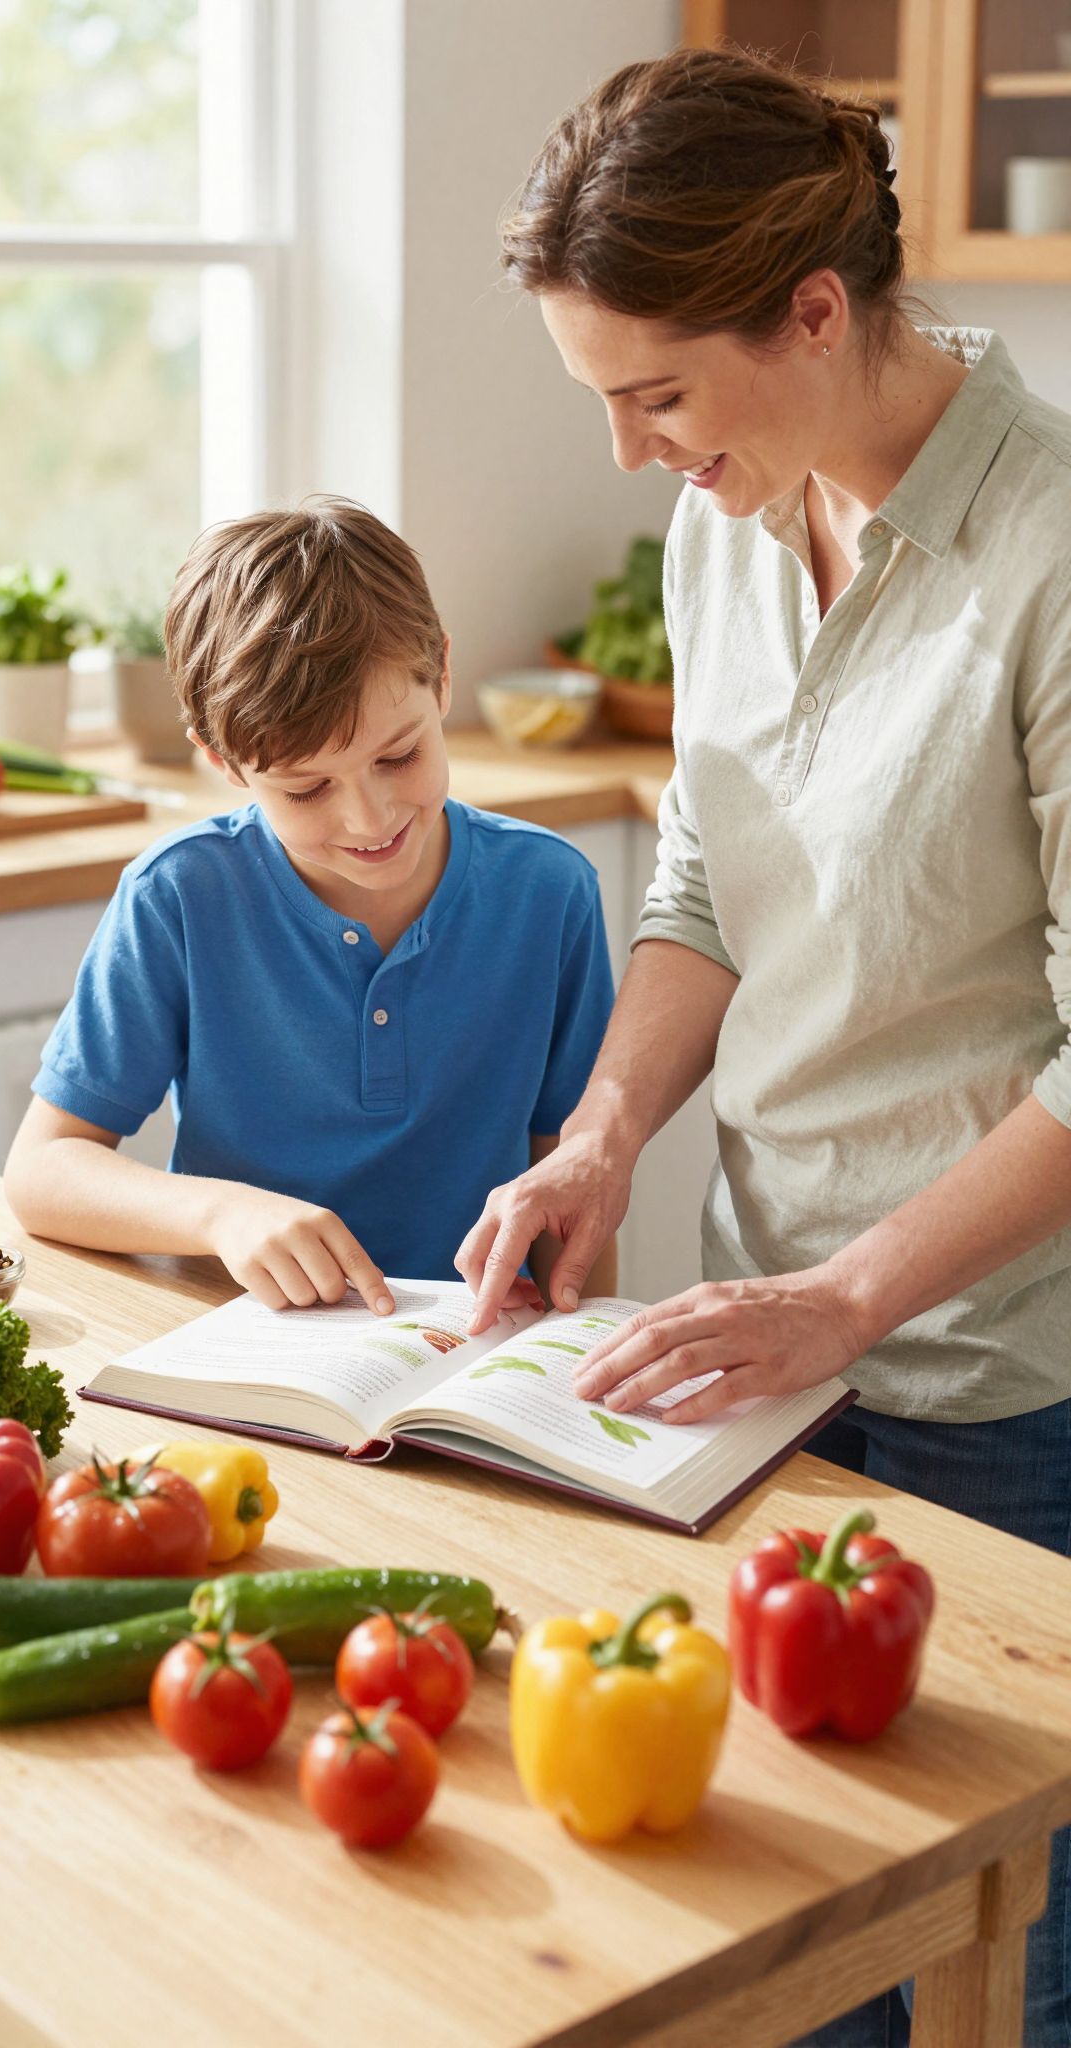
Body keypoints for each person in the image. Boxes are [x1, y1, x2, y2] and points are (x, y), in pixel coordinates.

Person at [454, 47, 1071, 2048]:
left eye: (656, 392)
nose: (634, 454)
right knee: (785, 1963)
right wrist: (605, 1134)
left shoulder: (1052, 558)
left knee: (1005, 1974)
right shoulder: (730, 520)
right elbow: (708, 879)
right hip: (771, 1373)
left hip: (1010, 1395)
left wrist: (844, 1297)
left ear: (817, 312)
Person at [5, 497, 617, 1315]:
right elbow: (42, 1171)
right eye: (306, 788)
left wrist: (580, 1341)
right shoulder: (181, 897)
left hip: (468, 1360)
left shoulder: (549, 892)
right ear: (224, 763)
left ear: (441, 676)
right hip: (244, 1349)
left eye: (397, 756)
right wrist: (222, 1212)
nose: (369, 818)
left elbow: (573, 1184)